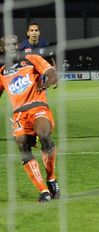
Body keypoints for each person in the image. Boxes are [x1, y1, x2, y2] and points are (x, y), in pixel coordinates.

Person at [0, 35, 60, 203]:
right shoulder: (2, 71)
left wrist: (48, 81)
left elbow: (52, 74)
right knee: (22, 145)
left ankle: (52, 178)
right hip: (19, 115)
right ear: (2, 49)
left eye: (14, 44)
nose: (11, 47)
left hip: (38, 107)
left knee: (44, 136)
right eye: (7, 45)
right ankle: (43, 191)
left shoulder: (32, 59)